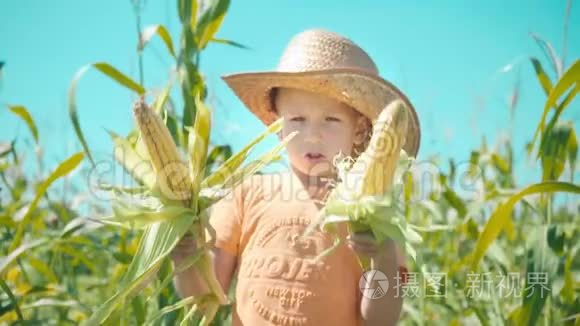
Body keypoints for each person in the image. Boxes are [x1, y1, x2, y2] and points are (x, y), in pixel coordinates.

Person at [171, 28, 421, 326]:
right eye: (297, 120)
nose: (312, 135)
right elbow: (207, 298)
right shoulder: (246, 193)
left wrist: (382, 257)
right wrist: (183, 260)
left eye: (331, 120)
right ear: (278, 125)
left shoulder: (375, 210)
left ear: (359, 130)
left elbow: (380, 320)